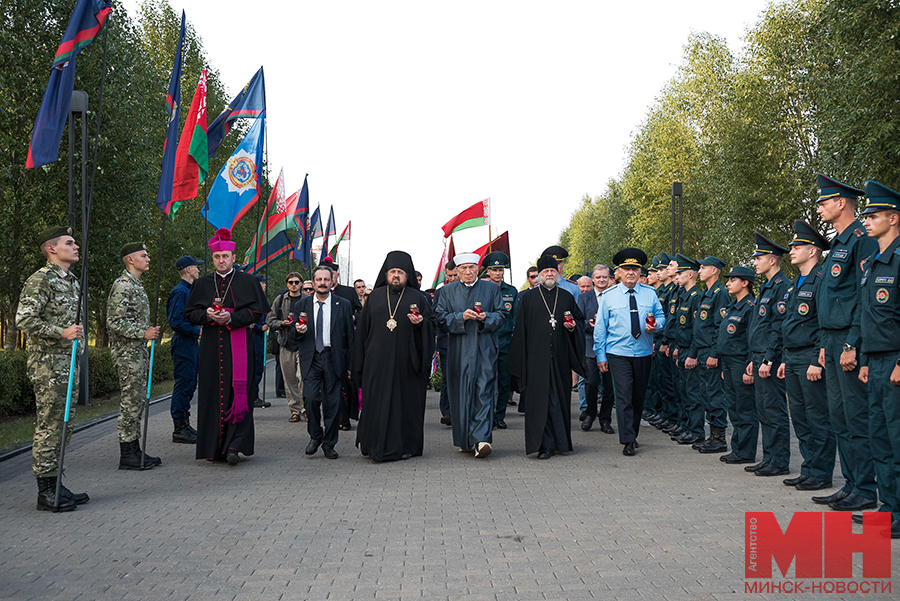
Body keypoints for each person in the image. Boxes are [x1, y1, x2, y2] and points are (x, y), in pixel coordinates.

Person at [812, 174, 879, 511]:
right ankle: (851, 483)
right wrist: (825, 343)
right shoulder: (838, 243)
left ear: (841, 203)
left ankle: (866, 489)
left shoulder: (861, 239)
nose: (820, 206)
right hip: (832, 339)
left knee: (856, 416)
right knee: (839, 416)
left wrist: (852, 341)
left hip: (849, 340)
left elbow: (862, 295)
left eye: (825, 201)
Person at [16, 226, 87, 511]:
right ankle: (45, 492)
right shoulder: (41, 279)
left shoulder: (70, 280)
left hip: (67, 363)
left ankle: (56, 483)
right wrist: (61, 332)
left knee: (63, 427)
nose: (75, 246)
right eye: (69, 243)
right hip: (48, 365)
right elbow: (24, 318)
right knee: (49, 427)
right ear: (51, 249)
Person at [184, 228, 270, 465]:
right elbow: (190, 314)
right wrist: (207, 314)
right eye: (216, 257)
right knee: (212, 394)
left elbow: (256, 312)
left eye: (225, 256)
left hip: (240, 345)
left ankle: (235, 445)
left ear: (233, 257)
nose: (221, 261)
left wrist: (232, 318)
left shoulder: (248, 281)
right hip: (211, 348)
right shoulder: (202, 283)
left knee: (238, 393)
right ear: (213, 259)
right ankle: (213, 448)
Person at [352, 251, 435, 461]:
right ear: (386, 274)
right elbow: (362, 332)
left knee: (405, 405)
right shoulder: (374, 298)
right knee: (375, 403)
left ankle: (406, 446)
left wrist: (421, 324)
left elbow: (432, 325)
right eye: (392, 272)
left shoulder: (418, 298)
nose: (396, 276)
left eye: (400, 272)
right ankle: (374, 445)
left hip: (407, 363)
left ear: (407, 275)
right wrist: (358, 363)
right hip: (376, 362)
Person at [776, 220, 835, 490]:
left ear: (813, 251)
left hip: (810, 357)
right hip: (793, 357)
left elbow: (824, 322)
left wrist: (816, 360)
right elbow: (789, 324)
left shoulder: (821, 279)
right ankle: (809, 468)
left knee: (817, 417)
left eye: (797, 246)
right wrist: (785, 359)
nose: (792, 251)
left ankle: (822, 473)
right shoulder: (794, 285)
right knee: (799, 416)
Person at [856, 180, 900, 538]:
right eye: (866, 215)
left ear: (894, 218)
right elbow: (870, 317)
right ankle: (887, 508)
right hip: (877, 360)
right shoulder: (871, 263)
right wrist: (867, 360)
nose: (867, 221)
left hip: (897, 361)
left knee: (898, 437)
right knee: (880, 438)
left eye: (873, 215)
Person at [508, 255, 585, 458]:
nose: (549, 274)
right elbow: (520, 331)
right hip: (535, 359)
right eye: (545, 272)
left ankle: (560, 442)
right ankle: (542, 445)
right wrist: (521, 362)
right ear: (539, 275)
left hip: (559, 357)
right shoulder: (528, 298)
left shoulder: (567, 297)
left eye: (553, 271)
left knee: (558, 399)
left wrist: (573, 327)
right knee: (539, 402)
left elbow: (578, 321)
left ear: (557, 274)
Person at [434, 252, 508, 458]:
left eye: (472, 268)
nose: (468, 272)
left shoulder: (492, 289)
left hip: (484, 347)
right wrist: (460, 316)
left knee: (484, 390)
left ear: (478, 269)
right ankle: (464, 439)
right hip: (458, 348)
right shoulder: (447, 291)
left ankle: (482, 439)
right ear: (456, 271)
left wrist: (487, 318)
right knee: (460, 393)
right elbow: (439, 317)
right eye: (464, 268)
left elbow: (502, 314)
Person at [594, 248, 665, 456]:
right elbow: (600, 327)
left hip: (643, 352)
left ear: (640, 272)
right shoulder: (609, 296)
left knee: (638, 397)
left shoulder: (650, 294)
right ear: (618, 272)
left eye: (634, 269)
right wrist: (600, 355)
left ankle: (632, 432)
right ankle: (627, 439)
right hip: (618, 353)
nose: (630, 273)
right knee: (623, 395)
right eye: (626, 269)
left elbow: (661, 317)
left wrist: (657, 326)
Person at [107, 242, 161, 471]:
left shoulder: (136, 285)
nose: (148, 259)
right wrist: (143, 332)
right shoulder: (123, 285)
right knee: (130, 401)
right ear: (130, 259)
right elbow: (114, 321)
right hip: (127, 353)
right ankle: (127, 453)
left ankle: (134, 448)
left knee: (137, 400)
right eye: (143, 255)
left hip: (137, 351)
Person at [293, 264, 355, 459]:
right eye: (319, 280)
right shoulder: (301, 306)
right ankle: (315, 435)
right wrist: (297, 332)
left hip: (333, 358)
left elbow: (350, 338)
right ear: (313, 281)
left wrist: (351, 365)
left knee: (333, 404)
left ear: (332, 281)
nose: (322, 283)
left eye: (326, 279)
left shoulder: (343, 304)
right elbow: (292, 339)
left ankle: (329, 443)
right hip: (311, 359)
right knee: (310, 399)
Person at [745, 232, 791, 477]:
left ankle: (780, 460)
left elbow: (778, 327)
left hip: (769, 358)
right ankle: (769, 457)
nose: (755, 262)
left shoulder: (782, 287)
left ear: (772, 260)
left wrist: (768, 359)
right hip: (758, 355)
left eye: (759, 258)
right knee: (763, 410)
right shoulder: (767, 287)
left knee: (774, 410)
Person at [717, 266, 759, 465]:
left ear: (745, 283)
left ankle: (746, 451)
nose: (728, 283)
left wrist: (750, 364)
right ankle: (738, 448)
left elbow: (753, 338)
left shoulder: (750, 306)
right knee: (734, 407)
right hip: (729, 362)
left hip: (741, 361)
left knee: (745, 408)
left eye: (732, 280)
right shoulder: (734, 306)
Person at [691, 256, 730, 453]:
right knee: (706, 393)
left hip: (711, 352)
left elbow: (719, 327)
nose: (700, 271)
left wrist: (714, 353)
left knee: (715, 394)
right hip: (703, 351)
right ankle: (711, 436)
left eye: (704, 267)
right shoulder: (706, 294)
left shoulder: (719, 294)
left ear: (714, 270)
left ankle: (719, 438)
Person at [165, 255, 204, 444]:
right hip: (183, 343)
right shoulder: (180, 292)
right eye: (196, 267)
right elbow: (175, 321)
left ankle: (185, 424)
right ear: (188, 270)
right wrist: (197, 330)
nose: (198, 270)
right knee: (184, 384)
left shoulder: (188, 290)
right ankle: (179, 428)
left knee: (190, 384)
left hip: (189, 343)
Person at [577, 264, 615, 433]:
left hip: (612, 347)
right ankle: (590, 413)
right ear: (593, 279)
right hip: (590, 346)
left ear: (609, 279)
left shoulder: (616, 296)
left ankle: (605, 419)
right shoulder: (584, 298)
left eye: (604, 277)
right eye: (598, 277)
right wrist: (591, 325)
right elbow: (578, 321)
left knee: (609, 385)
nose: (601, 280)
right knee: (591, 382)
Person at [482, 251, 518, 430]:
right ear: (488, 271)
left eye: (501, 270)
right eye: (494, 270)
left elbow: (515, 316)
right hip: (486, 339)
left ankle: (499, 415)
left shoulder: (511, 291)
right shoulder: (482, 290)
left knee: (504, 380)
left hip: (505, 340)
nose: (498, 273)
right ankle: (485, 415)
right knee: (487, 379)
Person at [670, 254, 703, 446]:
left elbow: (695, 330)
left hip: (690, 351)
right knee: (683, 391)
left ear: (691, 274)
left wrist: (692, 353)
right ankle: (687, 426)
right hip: (681, 349)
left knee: (693, 394)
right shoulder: (684, 296)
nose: (677, 276)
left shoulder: (695, 297)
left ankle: (696, 430)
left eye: (681, 273)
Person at [266, 272, 307, 422]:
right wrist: (282, 323)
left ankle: (306, 409)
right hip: (285, 342)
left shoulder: (307, 300)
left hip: (303, 343)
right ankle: (295, 410)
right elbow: (269, 320)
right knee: (289, 380)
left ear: (301, 284)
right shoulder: (281, 299)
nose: (294, 285)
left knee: (303, 378)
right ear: (287, 284)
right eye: (291, 282)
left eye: (296, 282)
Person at [433, 260, 458, 425]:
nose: (453, 278)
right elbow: (435, 317)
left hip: (465, 340)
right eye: (450, 276)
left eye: (456, 275)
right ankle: (447, 412)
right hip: (446, 341)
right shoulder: (441, 292)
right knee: (448, 378)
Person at [250, 274, 271, 409]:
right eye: (263, 283)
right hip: (255, 336)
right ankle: (253, 395)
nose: (265, 286)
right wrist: (260, 327)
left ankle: (254, 395)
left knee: (259, 367)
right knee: (256, 366)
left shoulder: (261, 299)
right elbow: (251, 319)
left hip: (261, 336)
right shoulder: (253, 299)